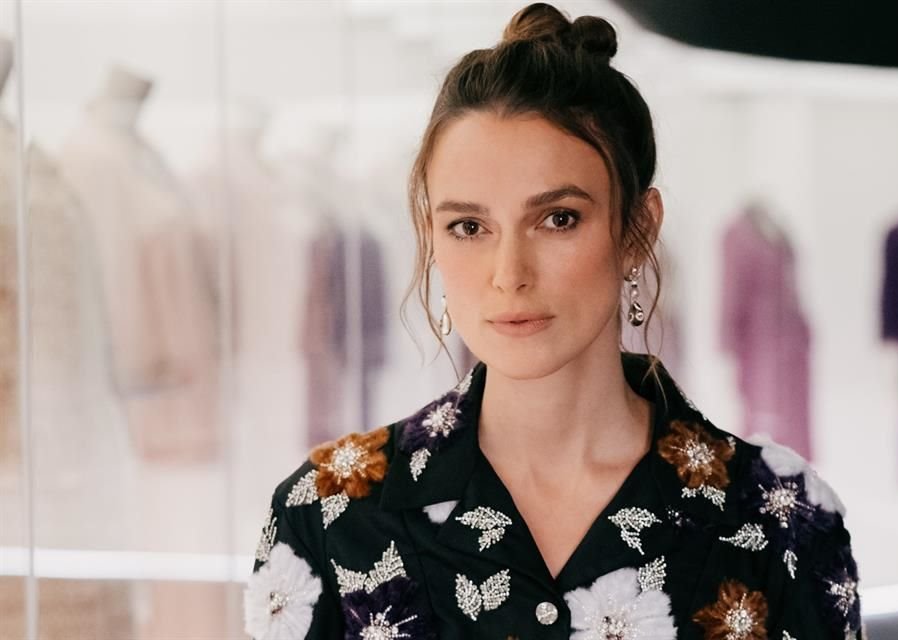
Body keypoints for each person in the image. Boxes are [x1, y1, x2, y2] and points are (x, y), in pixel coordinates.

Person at [243, 4, 863, 639]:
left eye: (558, 218)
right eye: (469, 227)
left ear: (637, 229)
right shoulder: (325, 515)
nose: (509, 272)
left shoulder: (781, 519)